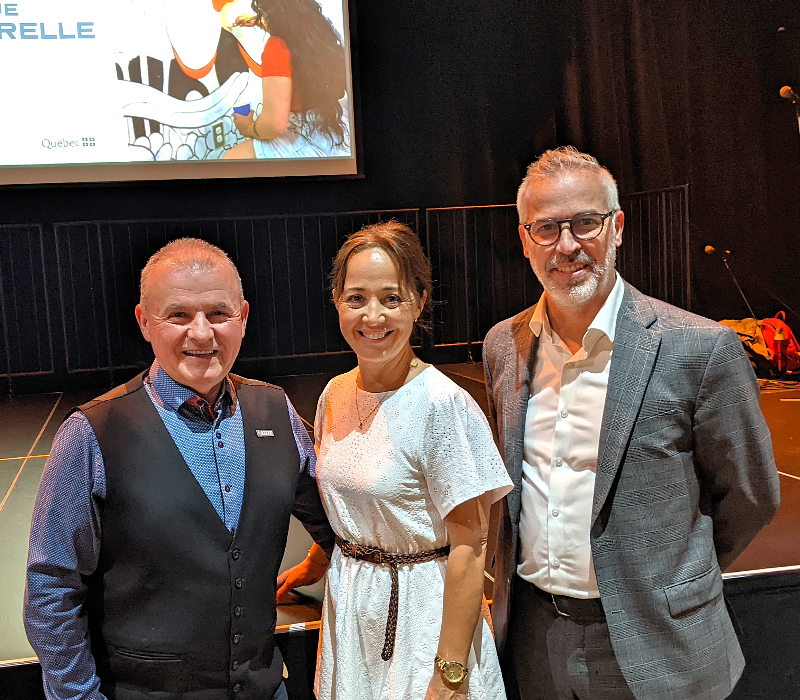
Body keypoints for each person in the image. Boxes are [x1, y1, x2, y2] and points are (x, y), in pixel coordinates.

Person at [482, 146, 781, 700]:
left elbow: (751, 495)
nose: (566, 245)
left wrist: (672, 580)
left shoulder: (700, 348)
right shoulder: (504, 344)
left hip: (661, 644)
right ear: (524, 240)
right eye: (546, 228)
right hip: (534, 640)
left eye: (585, 223)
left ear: (617, 228)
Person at [24, 237, 334, 700]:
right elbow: (52, 588)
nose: (202, 334)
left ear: (243, 318)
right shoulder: (91, 433)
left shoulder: (276, 410)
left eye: (218, 313)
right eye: (179, 315)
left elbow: (341, 526)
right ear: (144, 322)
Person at [279, 221, 513, 699]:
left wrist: (449, 675)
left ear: (419, 302)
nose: (374, 316)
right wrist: (312, 566)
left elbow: (471, 548)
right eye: (356, 298)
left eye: (391, 298)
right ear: (337, 302)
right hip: (353, 611)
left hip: (424, 617)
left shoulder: (442, 405)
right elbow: (352, 501)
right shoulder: (334, 394)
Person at [223, 0, 349, 159]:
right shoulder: (318, 30)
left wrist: (248, 127)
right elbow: (294, 34)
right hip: (337, 126)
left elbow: (274, 125)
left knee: (230, 159)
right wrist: (259, 22)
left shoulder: (276, 47)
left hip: (308, 138)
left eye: (262, 12)